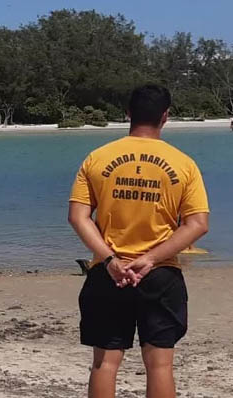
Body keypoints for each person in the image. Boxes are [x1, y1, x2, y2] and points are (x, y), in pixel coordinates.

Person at [67, 84, 210, 398]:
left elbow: (78, 217)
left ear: (128, 113)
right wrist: (150, 259)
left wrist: (109, 259)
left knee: (104, 364)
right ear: (165, 116)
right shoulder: (183, 163)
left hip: (108, 273)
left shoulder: (98, 158)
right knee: (159, 366)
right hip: (160, 273)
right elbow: (197, 225)